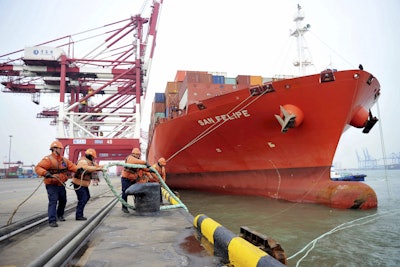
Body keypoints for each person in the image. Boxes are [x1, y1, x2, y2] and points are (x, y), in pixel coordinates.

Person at [35, 140, 80, 227]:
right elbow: (38, 168)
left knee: (63, 200)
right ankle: (52, 220)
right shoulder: (48, 159)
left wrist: (79, 170)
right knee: (53, 201)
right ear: (54, 149)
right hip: (51, 184)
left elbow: (72, 166)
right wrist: (45, 173)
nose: (61, 150)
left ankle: (60, 215)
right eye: (60, 148)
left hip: (61, 184)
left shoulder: (64, 160)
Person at [71, 148, 103, 221]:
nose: (93, 158)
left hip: (83, 184)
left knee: (87, 197)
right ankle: (79, 215)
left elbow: (97, 166)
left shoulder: (90, 162)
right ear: (89, 155)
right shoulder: (83, 161)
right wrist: (97, 168)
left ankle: (79, 214)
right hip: (78, 183)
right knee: (83, 198)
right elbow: (86, 168)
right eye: (92, 156)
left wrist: (103, 167)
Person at [120, 147, 150, 213]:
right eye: (139, 155)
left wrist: (150, 169)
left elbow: (142, 168)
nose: (139, 157)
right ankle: (124, 207)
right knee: (125, 193)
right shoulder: (130, 158)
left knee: (137, 192)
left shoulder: (138, 161)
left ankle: (138, 206)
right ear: (135, 154)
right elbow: (134, 161)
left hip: (133, 180)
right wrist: (145, 162)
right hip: (126, 179)